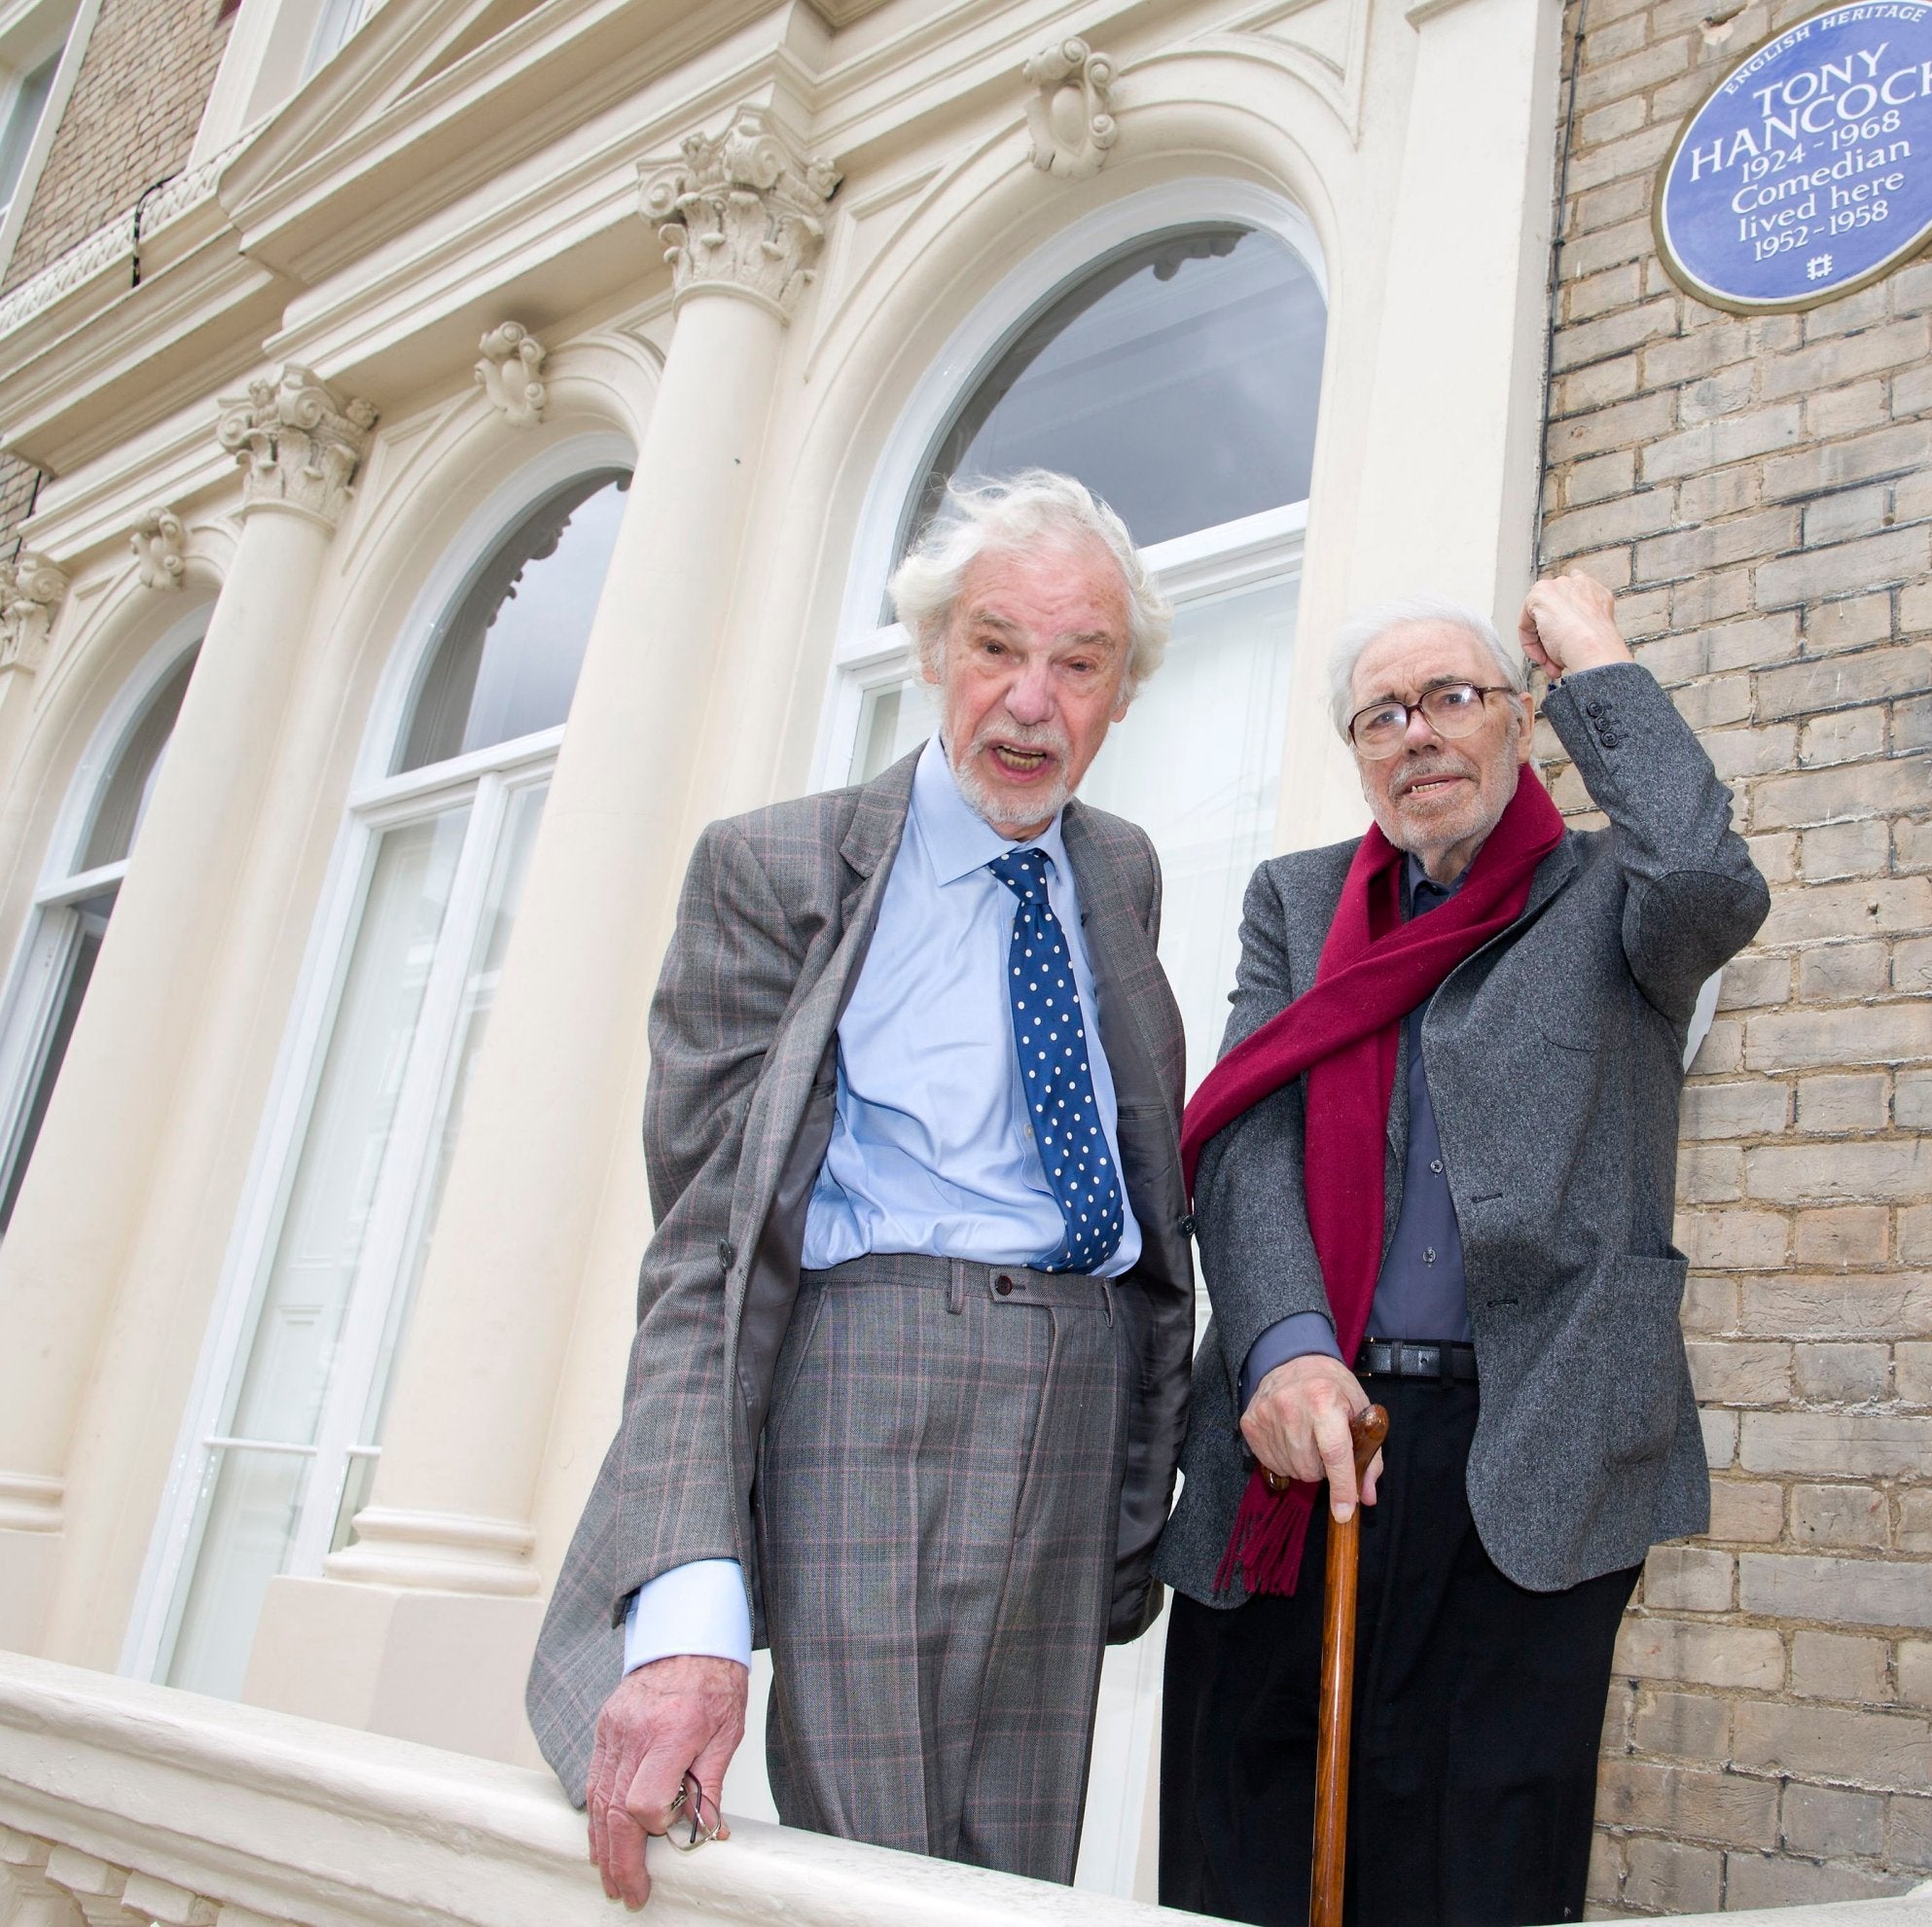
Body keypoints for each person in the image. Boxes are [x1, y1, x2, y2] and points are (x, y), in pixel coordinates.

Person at [526, 470, 1195, 1909]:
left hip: (1074, 1392)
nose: (1031, 701)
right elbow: (705, 1247)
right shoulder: (772, 867)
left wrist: (1144, 1459)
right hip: (868, 1370)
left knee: (1016, 1872)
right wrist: (689, 1607)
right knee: (873, 1872)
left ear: (1121, 693)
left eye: (1079, 663)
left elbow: (1150, 1177)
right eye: (997, 647)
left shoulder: (1123, 873)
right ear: (932, 654)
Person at [1156, 572, 1771, 1927]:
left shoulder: (1619, 895)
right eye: (1382, 714)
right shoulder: (1296, 899)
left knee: (1481, 1860)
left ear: (1520, 716)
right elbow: (1250, 1134)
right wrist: (1285, 1344)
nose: (1418, 733)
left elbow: (1716, 882)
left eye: (1451, 696)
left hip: (1534, 1440)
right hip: (1308, 1429)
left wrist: (1601, 661)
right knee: (1250, 1840)